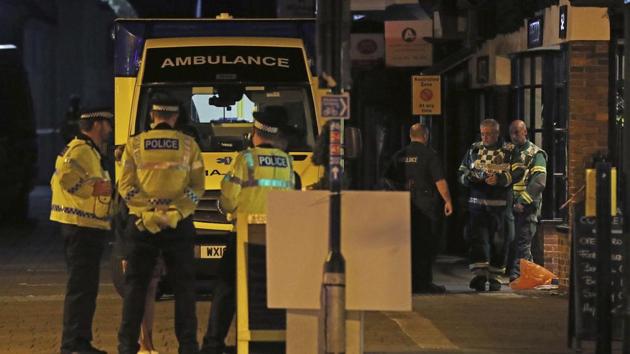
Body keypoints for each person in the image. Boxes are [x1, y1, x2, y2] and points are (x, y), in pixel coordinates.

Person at [200, 105, 296, 354]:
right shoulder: (287, 161)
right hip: (276, 237)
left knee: (225, 289)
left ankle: (213, 344)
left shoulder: (246, 159)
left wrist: (225, 208)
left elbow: (229, 198)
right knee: (268, 290)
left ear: (256, 131)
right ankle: (269, 340)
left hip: (244, 235)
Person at [117, 94, 205, 354]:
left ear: (153, 116)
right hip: (178, 226)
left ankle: (126, 347)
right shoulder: (189, 146)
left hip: (143, 226)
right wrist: (176, 211)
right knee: (184, 289)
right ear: (175, 117)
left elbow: (126, 188)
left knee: (136, 287)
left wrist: (149, 211)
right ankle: (188, 346)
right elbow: (196, 188)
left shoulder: (134, 145)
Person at [50, 109, 113, 354]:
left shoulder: (87, 150)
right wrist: (91, 189)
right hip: (80, 227)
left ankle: (81, 341)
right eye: (107, 123)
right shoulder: (80, 149)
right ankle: (73, 345)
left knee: (86, 288)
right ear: (97, 124)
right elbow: (65, 176)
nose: (109, 128)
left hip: (85, 226)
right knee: (80, 288)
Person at [383, 123, 453, 294]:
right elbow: (440, 182)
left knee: (407, 244)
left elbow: (387, 179)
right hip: (425, 205)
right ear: (426, 136)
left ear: (410, 135)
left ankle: (407, 281)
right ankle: (423, 283)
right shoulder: (430, 155)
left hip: (403, 204)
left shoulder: (399, 155)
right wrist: (448, 201)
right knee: (425, 244)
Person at [458, 119, 524, 292]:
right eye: (483, 134)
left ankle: (494, 277)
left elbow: (519, 171)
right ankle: (480, 276)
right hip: (477, 207)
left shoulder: (509, 151)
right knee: (478, 242)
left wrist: (500, 180)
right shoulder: (474, 149)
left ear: (497, 133)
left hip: (500, 207)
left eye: (489, 134)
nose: (485, 137)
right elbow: (462, 171)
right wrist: (471, 178)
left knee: (500, 243)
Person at [507, 120, 547, 282]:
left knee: (523, 241)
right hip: (511, 204)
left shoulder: (535, 154)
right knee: (515, 240)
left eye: (518, 132)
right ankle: (529, 273)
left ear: (525, 132)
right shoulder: (509, 153)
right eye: (512, 133)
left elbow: (539, 182)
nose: (515, 136)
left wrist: (522, 202)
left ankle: (518, 275)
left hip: (527, 206)